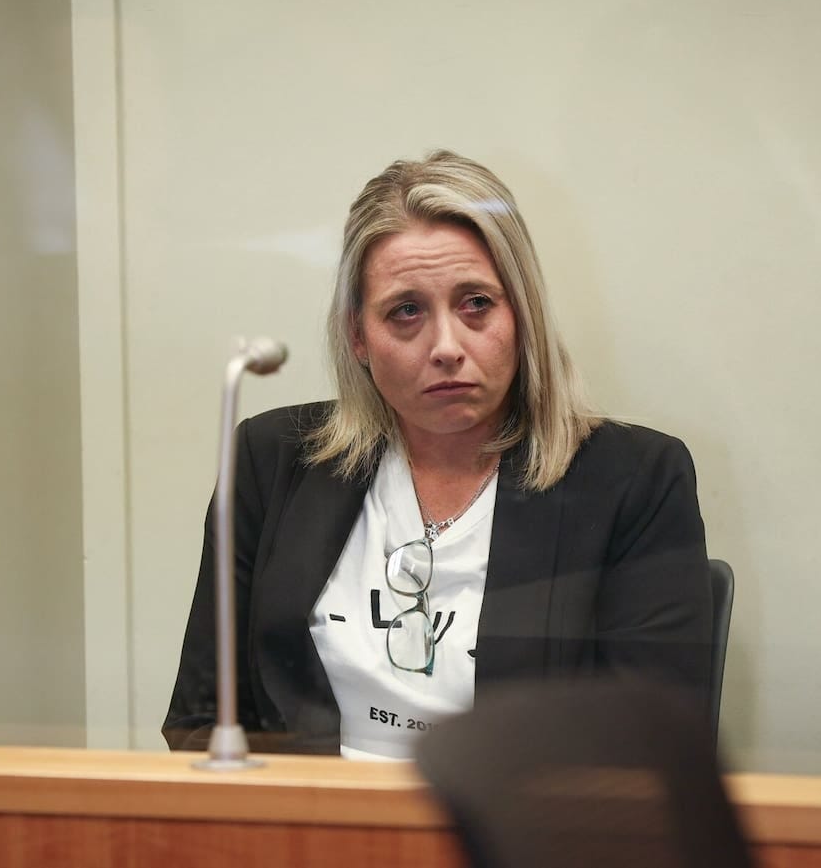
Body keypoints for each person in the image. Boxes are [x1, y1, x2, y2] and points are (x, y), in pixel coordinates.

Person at [165, 151, 712, 758]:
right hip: (313, 809)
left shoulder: (633, 479)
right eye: (406, 311)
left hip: (512, 814)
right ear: (358, 336)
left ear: (523, 315)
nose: (447, 346)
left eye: (476, 302)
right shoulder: (272, 461)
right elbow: (202, 718)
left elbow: (650, 751)